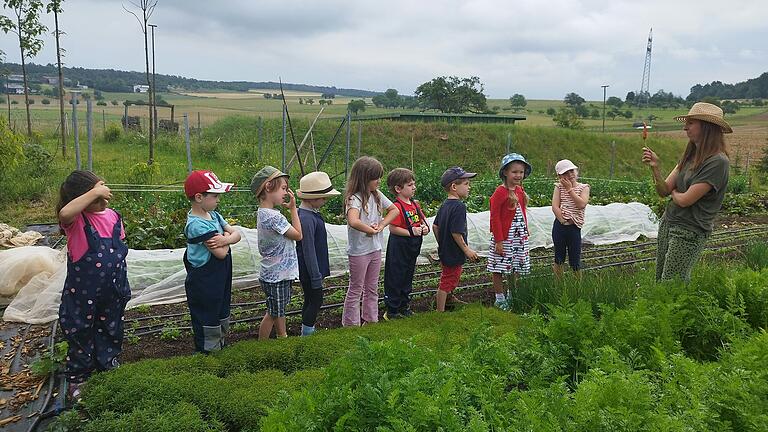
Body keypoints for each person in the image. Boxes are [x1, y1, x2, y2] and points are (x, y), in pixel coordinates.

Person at [57, 170, 130, 402]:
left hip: (113, 289)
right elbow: (65, 212)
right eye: (96, 196)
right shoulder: (77, 221)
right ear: (82, 197)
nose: (103, 199)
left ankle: (107, 365)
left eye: (103, 193)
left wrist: (96, 192)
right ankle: (78, 378)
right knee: (81, 331)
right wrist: (94, 191)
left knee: (111, 327)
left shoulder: (113, 217)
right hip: (83, 292)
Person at [642, 102, 731, 282]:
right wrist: (655, 168)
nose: (685, 127)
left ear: (706, 127)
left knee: (673, 282)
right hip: (669, 222)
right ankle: (662, 311)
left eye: (690, 123)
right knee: (660, 279)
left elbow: (685, 200)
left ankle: (680, 311)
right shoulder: (690, 156)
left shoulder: (718, 162)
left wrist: (673, 193)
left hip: (690, 230)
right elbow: (663, 190)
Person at [182, 170, 241, 353]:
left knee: (221, 308)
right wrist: (227, 237)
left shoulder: (214, 216)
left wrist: (225, 239)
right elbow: (221, 254)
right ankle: (208, 351)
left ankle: (220, 344)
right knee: (207, 313)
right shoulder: (196, 225)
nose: (218, 200)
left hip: (219, 276)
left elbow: (237, 233)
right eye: (215, 196)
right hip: (204, 280)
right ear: (199, 197)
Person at [341, 156, 400, 326]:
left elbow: (394, 210)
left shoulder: (377, 195)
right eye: (376, 178)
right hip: (359, 251)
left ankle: (371, 320)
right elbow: (353, 220)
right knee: (356, 289)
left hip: (375, 249)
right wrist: (371, 229)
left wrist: (381, 225)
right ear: (364, 178)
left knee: (372, 287)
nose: (379, 181)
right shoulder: (354, 198)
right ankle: (351, 324)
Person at [252, 166, 302, 339]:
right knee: (273, 313)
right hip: (277, 274)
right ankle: (262, 344)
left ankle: (282, 336)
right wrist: (293, 209)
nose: (285, 193)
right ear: (268, 187)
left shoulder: (264, 213)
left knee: (277, 309)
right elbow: (298, 235)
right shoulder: (275, 217)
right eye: (283, 188)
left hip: (272, 272)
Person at [295, 171, 340, 336]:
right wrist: (315, 276)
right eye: (323, 198)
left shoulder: (310, 214)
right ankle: (307, 333)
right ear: (312, 198)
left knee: (310, 299)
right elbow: (308, 250)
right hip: (310, 270)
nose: (325, 201)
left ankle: (307, 330)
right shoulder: (306, 219)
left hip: (313, 269)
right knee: (315, 300)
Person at [382, 168, 429, 320]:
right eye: (410, 185)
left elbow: (421, 220)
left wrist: (424, 227)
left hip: (413, 245)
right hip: (399, 245)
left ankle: (404, 305)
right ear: (398, 188)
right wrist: (411, 232)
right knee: (396, 275)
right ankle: (392, 309)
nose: (414, 187)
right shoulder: (396, 207)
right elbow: (393, 228)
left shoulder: (414, 204)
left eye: (414, 184)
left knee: (408, 275)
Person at [487, 153, 532, 309]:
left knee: (516, 266)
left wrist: (525, 228)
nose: (518, 175)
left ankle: (512, 294)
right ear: (505, 172)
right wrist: (499, 240)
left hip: (519, 236)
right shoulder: (500, 193)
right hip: (505, 237)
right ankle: (499, 298)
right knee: (499, 266)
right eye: (514, 172)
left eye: (521, 172)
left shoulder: (519, 190)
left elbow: (521, 211)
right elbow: (495, 218)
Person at [433, 166, 478, 312]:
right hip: (454, 251)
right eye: (465, 184)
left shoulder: (445, 205)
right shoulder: (459, 207)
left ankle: (450, 299)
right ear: (454, 186)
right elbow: (456, 232)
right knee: (448, 280)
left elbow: (435, 226)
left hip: (445, 250)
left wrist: (442, 243)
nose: (468, 187)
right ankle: (440, 311)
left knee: (448, 276)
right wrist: (467, 250)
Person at [551, 159, 590, 278]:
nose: (570, 175)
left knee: (575, 259)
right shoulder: (558, 187)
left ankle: (577, 286)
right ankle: (558, 284)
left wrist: (570, 189)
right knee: (559, 257)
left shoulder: (584, 188)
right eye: (565, 173)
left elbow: (581, 204)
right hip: (560, 226)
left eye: (571, 171)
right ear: (560, 176)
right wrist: (563, 221)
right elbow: (555, 206)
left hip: (574, 227)